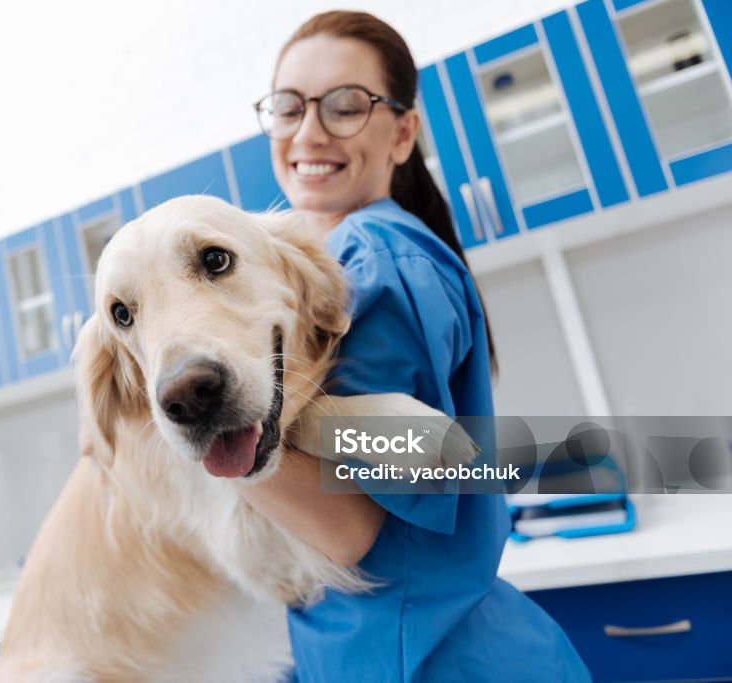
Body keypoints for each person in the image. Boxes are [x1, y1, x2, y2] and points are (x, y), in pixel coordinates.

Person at [235, 11, 593, 683]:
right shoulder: (360, 258)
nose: (309, 132)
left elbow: (349, 529)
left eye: (345, 106)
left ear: (403, 133)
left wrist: (191, 423)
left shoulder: (367, 257)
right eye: (288, 106)